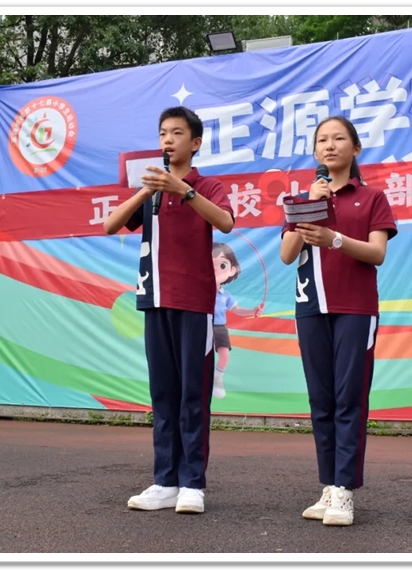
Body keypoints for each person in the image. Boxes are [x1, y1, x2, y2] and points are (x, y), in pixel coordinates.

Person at [103, 106, 234, 514]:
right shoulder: (151, 189)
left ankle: (192, 483)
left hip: (194, 304)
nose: (168, 139)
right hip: (154, 300)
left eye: (177, 133)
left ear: (195, 143)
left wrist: (185, 191)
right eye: (163, 133)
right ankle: (165, 481)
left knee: (193, 395)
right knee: (163, 394)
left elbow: (226, 222)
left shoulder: (207, 186)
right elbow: (110, 225)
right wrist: (147, 192)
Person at [280, 116, 397, 527]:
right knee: (321, 401)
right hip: (310, 307)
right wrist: (308, 207)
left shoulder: (371, 198)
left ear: (355, 148)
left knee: (349, 399)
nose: (329, 146)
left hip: (354, 309)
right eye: (322, 140)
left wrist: (335, 240)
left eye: (338, 139)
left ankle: (345, 490)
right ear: (315, 151)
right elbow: (287, 254)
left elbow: (377, 253)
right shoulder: (303, 198)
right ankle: (329, 485)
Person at [211, 242, 263, 399]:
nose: (214, 269)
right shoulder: (199, 291)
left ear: (232, 270)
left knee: (224, 355)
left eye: (222, 265)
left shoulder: (225, 295)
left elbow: (238, 310)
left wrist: (252, 311)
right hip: (201, 325)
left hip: (219, 327)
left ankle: (217, 379)